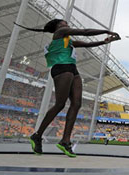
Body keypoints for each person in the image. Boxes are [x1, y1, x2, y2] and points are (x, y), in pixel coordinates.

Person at [15, 19, 120, 157]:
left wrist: (105, 41)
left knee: (76, 104)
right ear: (58, 26)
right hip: (61, 68)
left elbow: (87, 44)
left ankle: (65, 141)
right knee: (60, 104)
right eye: (64, 23)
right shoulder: (60, 33)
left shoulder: (67, 40)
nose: (67, 24)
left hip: (72, 69)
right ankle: (37, 135)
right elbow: (85, 32)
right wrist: (106, 30)